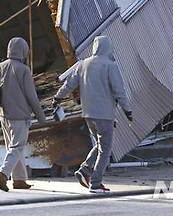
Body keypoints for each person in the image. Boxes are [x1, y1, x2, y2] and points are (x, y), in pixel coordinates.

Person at [52, 35, 132, 194]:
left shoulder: (83, 64)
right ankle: (95, 183)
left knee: (100, 145)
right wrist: (127, 110)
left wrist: (58, 97)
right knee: (106, 149)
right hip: (104, 115)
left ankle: (85, 170)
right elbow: (119, 91)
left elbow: (70, 84)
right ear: (108, 48)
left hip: (88, 114)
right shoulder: (110, 66)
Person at [0, 37, 46, 192]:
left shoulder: (0, 66)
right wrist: (41, 118)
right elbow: (32, 97)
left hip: (3, 114)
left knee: (13, 147)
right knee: (17, 146)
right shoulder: (23, 70)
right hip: (19, 115)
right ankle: (3, 174)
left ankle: (19, 180)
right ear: (24, 51)